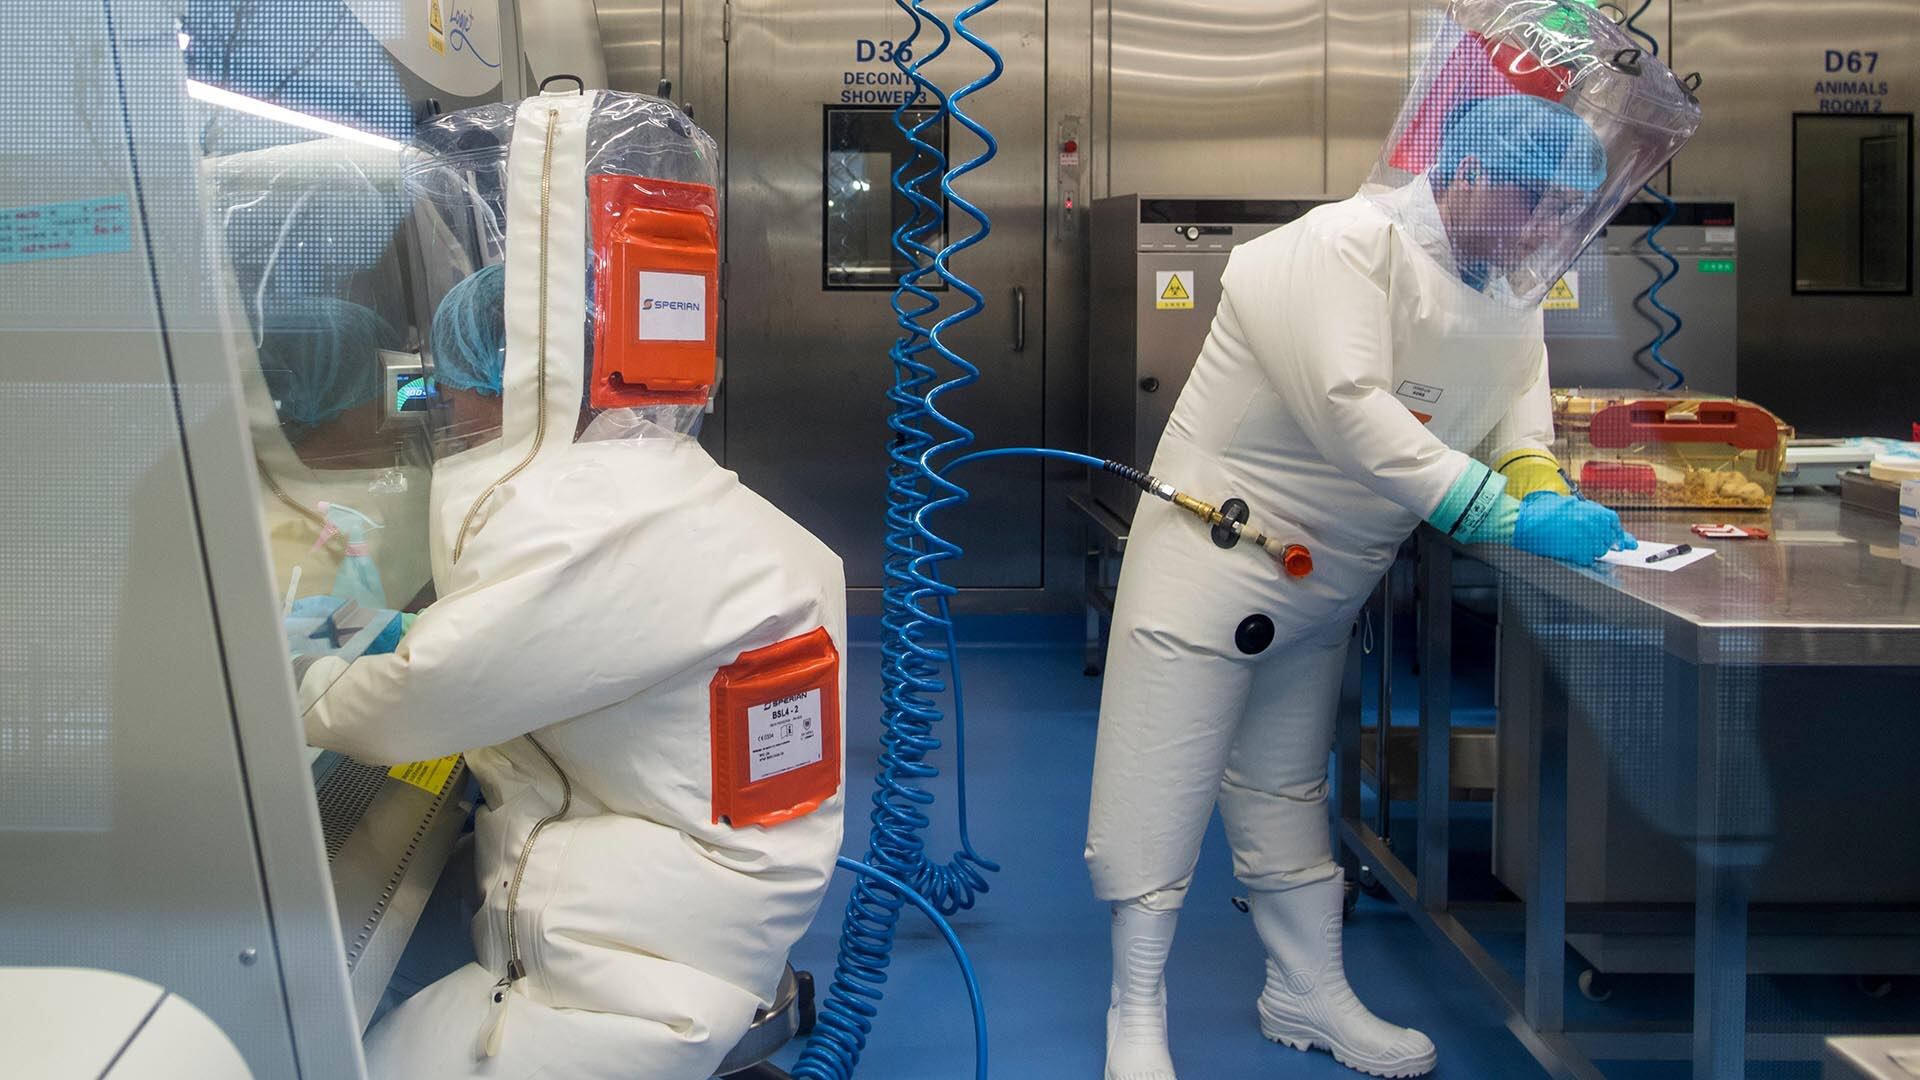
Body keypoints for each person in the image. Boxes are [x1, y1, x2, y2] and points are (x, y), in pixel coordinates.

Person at [1084, 4, 1701, 1077]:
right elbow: (1351, 410)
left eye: (1562, 209)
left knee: (1285, 788)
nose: (1542, 226)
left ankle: (1304, 992)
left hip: (1327, 581)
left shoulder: (1505, 285)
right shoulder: (1333, 248)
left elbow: (1515, 409)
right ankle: (1133, 1018)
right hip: (1211, 562)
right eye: (1531, 199)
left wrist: (1535, 476)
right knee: (1159, 781)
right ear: (1469, 170)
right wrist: (1500, 513)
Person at [302, 88, 848, 1079]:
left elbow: (416, 701)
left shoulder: (600, 529)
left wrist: (297, 676)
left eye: (454, 390)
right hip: (707, 919)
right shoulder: (663, 487)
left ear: (522, 385)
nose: (447, 413)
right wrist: (377, 631)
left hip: (636, 974)